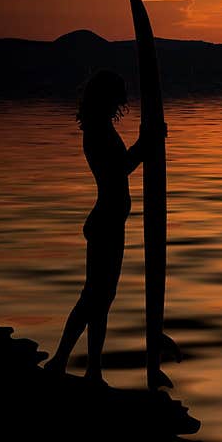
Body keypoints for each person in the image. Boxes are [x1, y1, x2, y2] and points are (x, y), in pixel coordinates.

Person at [44, 70, 162, 386]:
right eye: (117, 95)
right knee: (93, 296)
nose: (121, 102)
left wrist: (145, 143)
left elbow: (122, 166)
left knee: (102, 298)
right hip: (105, 223)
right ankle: (60, 360)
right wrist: (145, 142)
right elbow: (119, 169)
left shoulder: (103, 128)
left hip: (111, 222)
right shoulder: (97, 131)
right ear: (106, 98)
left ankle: (93, 369)